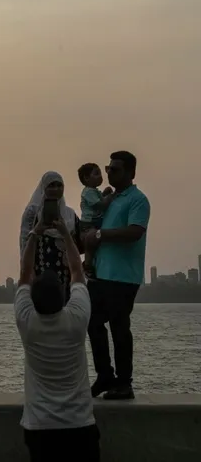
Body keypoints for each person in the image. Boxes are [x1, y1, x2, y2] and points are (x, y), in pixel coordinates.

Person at [17, 216, 100, 462]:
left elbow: (24, 273)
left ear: (33, 298)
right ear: (63, 294)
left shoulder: (27, 323)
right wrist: (65, 233)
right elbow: (76, 270)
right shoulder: (76, 319)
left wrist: (34, 234)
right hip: (80, 425)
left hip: (40, 428)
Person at [83, 151, 150, 400]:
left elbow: (135, 231)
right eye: (108, 168)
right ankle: (105, 376)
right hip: (101, 275)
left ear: (131, 173)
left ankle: (124, 382)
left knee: (119, 328)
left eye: (115, 169)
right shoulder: (109, 200)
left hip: (123, 277)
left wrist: (101, 235)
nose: (109, 173)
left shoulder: (138, 200)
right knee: (91, 322)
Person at [19, 171, 83, 301]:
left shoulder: (69, 215)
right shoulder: (33, 213)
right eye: (51, 185)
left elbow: (79, 246)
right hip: (39, 274)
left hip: (66, 275)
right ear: (43, 188)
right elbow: (24, 243)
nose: (56, 189)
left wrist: (65, 233)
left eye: (59, 185)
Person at [77, 163, 114, 275]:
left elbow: (100, 199)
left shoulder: (94, 191)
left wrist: (105, 194)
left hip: (95, 224)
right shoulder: (88, 191)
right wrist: (111, 196)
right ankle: (87, 265)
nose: (100, 176)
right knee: (90, 245)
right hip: (88, 225)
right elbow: (100, 205)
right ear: (86, 178)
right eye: (96, 174)